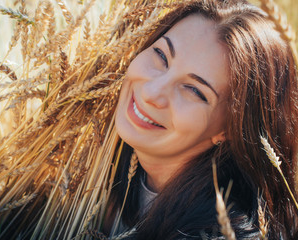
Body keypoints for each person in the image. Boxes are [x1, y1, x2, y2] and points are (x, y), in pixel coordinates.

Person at [104, 0, 298, 239]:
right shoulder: (92, 166)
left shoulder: (217, 233)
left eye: (194, 90)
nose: (152, 92)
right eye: (161, 55)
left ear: (230, 128)